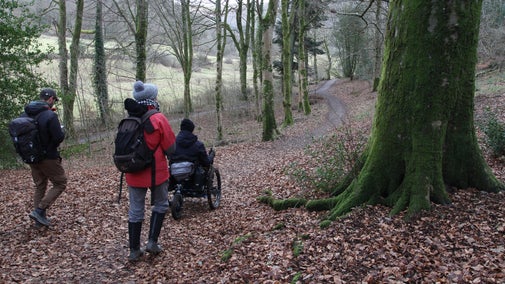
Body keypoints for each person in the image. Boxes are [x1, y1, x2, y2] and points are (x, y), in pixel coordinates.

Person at [124, 80, 176, 262]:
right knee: (160, 204)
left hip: (133, 171)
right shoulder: (158, 118)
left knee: (135, 210)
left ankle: (133, 250)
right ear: (152, 98)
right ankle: (152, 242)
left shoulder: (129, 118)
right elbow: (171, 147)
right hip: (157, 173)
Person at [25, 88, 67, 228]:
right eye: (54, 100)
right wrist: (62, 131)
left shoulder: (26, 113)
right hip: (48, 157)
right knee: (60, 183)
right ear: (50, 99)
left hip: (31, 156)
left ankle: (39, 221)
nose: (53, 102)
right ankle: (39, 210)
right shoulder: (49, 115)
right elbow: (58, 137)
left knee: (40, 185)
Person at [170, 119, 214, 188]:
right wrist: (211, 155)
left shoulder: (172, 144)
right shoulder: (198, 145)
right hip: (192, 176)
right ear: (192, 129)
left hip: (175, 174)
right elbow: (206, 162)